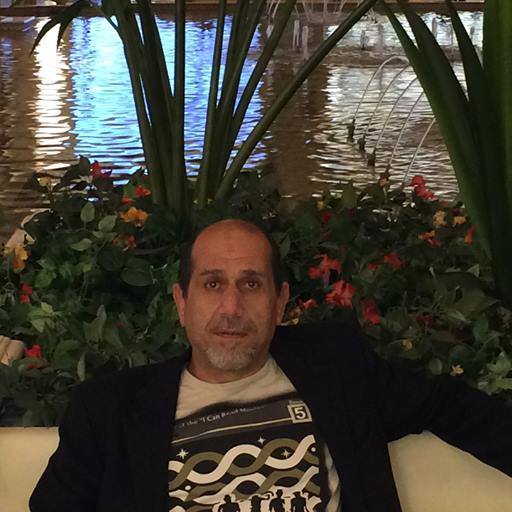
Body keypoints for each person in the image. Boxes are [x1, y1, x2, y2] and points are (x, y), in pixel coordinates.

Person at [30, 219, 512, 512]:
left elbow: (450, 407)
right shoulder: (109, 411)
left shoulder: (335, 369)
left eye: (252, 284)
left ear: (279, 303)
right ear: (182, 302)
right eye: (213, 284)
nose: (232, 308)